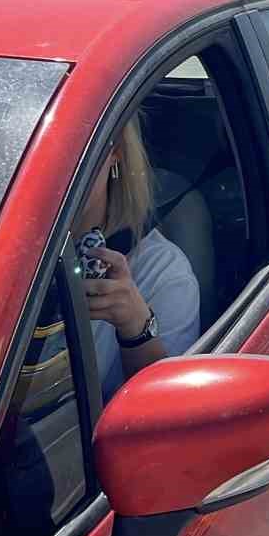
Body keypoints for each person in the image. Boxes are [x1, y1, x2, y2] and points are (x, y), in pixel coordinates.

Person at [77, 116, 200, 401]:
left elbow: (168, 412)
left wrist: (136, 327)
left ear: (115, 150)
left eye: (75, 148)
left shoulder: (162, 274)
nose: (52, 170)